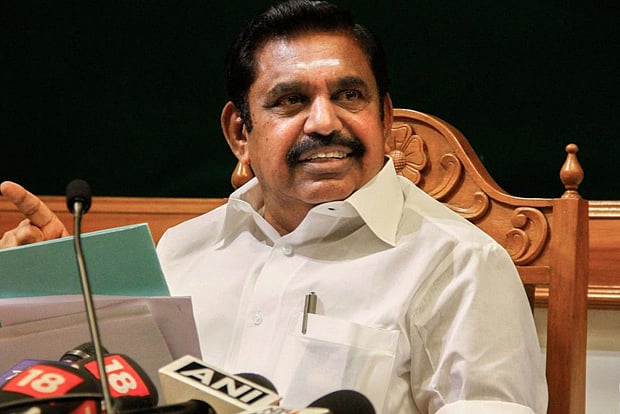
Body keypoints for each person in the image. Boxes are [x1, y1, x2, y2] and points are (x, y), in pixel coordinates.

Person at [0, 1, 547, 413]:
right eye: (291, 100)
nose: (325, 122)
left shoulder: (460, 264)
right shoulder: (184, 251)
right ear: (240, 132)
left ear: (384, 118)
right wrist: (55, 296)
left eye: (349, 95)